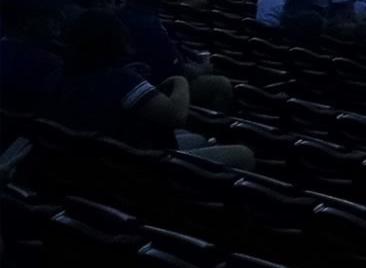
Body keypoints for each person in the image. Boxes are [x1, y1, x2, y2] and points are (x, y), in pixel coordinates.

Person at [56, 10, 253, 168]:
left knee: (197, 138)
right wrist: (180, 80)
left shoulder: (63, 72)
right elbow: (176, 116)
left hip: (107, 156)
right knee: (244, 155)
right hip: (143, 166)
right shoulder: (121, 79)